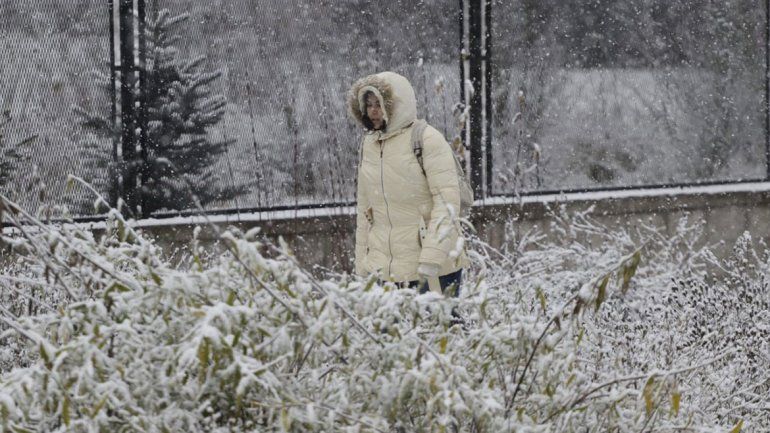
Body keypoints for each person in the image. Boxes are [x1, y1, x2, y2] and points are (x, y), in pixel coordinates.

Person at [348, 71, 468, 296]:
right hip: (386, 272)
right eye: (369, 104)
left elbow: (447, 203)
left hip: (433, 269)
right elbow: (366, 211)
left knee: (439, 329)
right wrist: (362, 264)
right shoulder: (369, 145)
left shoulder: (426, 139)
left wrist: (432, 259)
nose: (373, 110)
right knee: (385, 331)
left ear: (397, 105)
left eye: (380, 103)